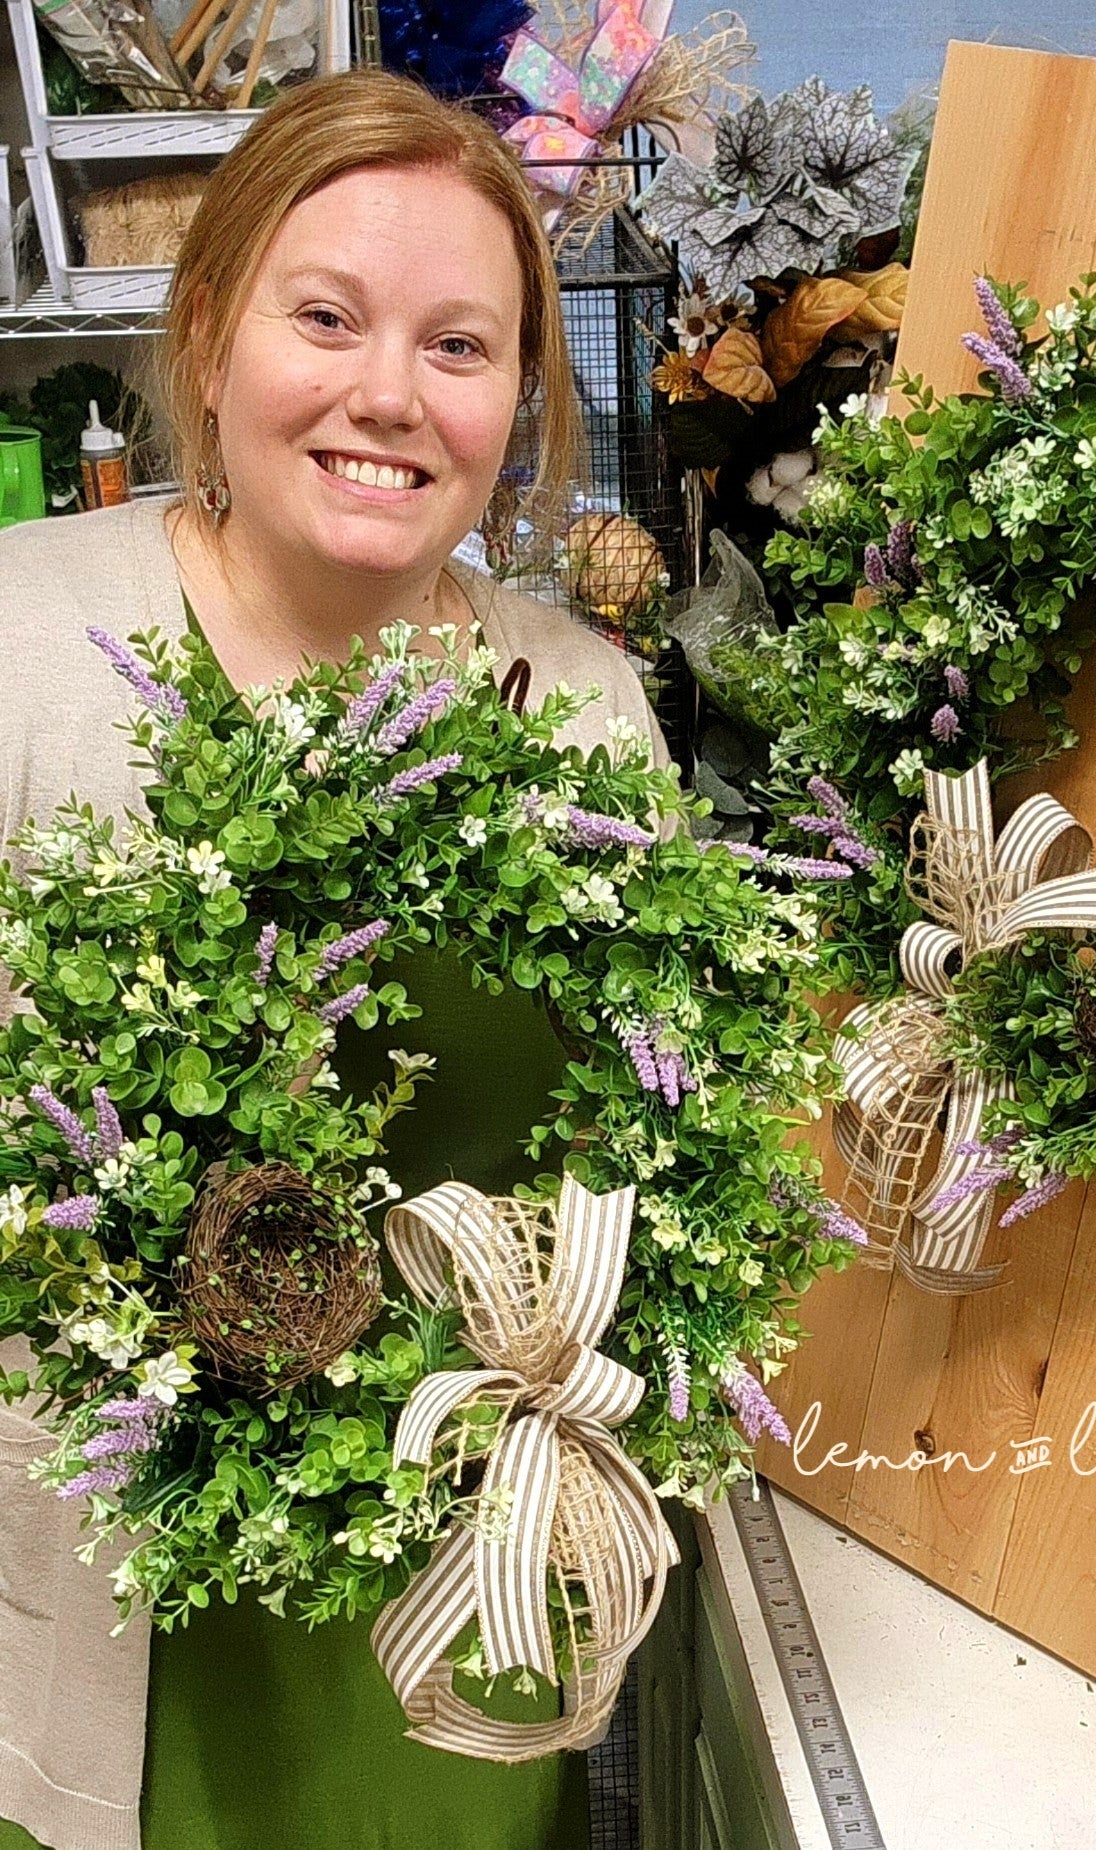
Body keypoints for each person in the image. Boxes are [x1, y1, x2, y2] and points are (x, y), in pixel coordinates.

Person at [0, 68, 670, 1850]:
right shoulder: (24, 648)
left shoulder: (588, 713)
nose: (391, 394)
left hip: (456, 1621)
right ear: (209, 335)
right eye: (327, 317)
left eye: (461, 345)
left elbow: (661, 1152)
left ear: (521, 401)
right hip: (100, 1603)